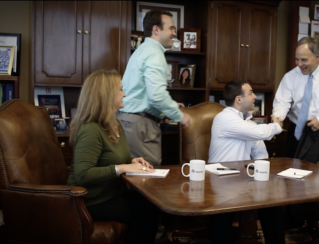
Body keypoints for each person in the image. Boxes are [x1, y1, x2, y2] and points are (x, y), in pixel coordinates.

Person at [67, 69, 159, 243]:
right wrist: (123, 167)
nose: (124, 94)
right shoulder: (91, 130)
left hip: (111, 194)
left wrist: (132, 161)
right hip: (88, 201)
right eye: (120, 89)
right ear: (107, 94)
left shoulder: (115, 124)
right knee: (146, 210)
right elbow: (83, 174)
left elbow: (113, 159)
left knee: (152, 201)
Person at [272, 36, 319, 229]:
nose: (299, 64)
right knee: (290, 174)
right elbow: (282, 101)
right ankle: (292, 219)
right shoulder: (291, 76)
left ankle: (313, 220)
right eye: (297, 59)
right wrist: (278, 116)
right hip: (295, 130)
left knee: (316, 177)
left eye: (304, 60)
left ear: (317, 56)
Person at [208, 80, 285, 244]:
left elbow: (260, 151)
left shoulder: (246, 122)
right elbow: (260, 132)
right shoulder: (224, 118)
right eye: (250, 92)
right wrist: (276, 126)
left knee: (275, 202)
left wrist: (263, 173)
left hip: (243, 180)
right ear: (238, 99)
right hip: (220, 182)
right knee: (222, 215)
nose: (255, 96)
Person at [117, 10, 190, 166]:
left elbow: (142, 92)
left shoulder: (142, 50)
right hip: (140, 125)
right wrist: (180, 116)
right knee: (148, 179)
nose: (174, 33)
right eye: (171, 28)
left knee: (135, 178)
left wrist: (165, 110)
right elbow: (156, 95)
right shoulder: (154, 53)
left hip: (130, 121)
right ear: (156, 29)